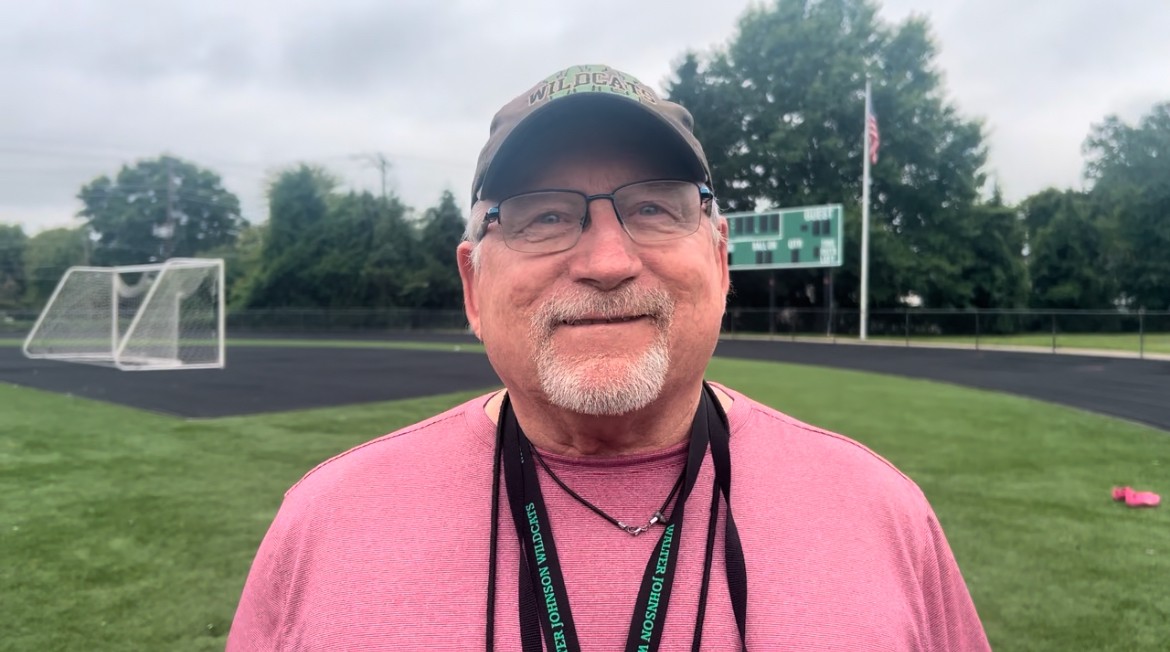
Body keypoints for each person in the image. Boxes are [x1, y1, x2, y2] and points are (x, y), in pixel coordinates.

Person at [226, 64, 991, 651]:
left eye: (655, 207)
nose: (606, 260)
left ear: (720, 262)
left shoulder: (883, 515)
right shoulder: (325, 525)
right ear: (471, 283)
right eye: (544, 215)